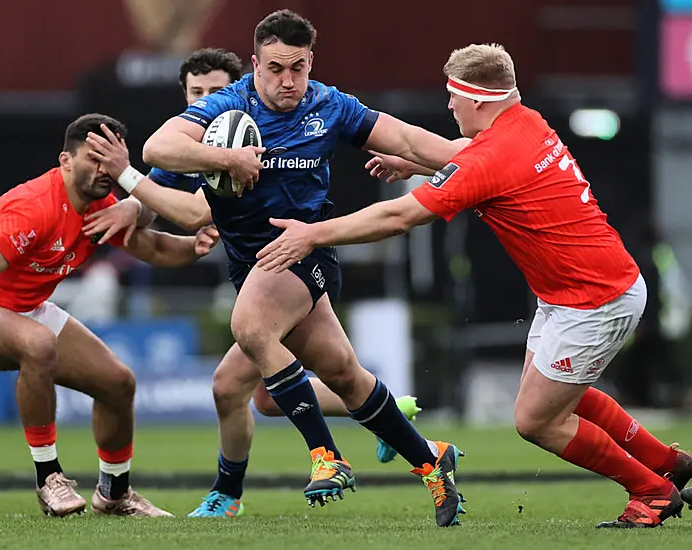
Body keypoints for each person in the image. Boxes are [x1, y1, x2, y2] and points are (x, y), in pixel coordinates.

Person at [255, 43, 692, 528]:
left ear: (478, 100)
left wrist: (311, 233)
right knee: (564, 394)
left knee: (536, 420)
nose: (448, 106)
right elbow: (470, 160)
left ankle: (651, 492)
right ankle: (669, 464)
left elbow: (400, 215)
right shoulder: (526, 123)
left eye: (452, 96)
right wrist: (418, 166)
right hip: (583, 289)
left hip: (594, 301)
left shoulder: (492, 156)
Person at [106, 11, 471, 527]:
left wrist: (483, 158)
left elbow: (412, 142)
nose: (287, 81)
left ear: (310, 63)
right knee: (341, 377)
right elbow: (157, 149)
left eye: (297, 68)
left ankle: (324, 456)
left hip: (304, 251)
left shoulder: (328, 104)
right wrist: (228, 162)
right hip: (252, 266)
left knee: (250, 327)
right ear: (254, 65)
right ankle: (433, 462)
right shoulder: (227, 108)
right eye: (276, 68)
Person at [0, 113, 220, 518]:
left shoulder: (100, 206)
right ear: (65, 160)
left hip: (25, 310)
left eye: (112, 159)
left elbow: (151, 248)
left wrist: (193, 246)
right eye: (93, 158)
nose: (104, 170)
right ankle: (48, 477)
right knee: (38, 342)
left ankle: (115, 493)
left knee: (118, 383)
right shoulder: (35, 206)